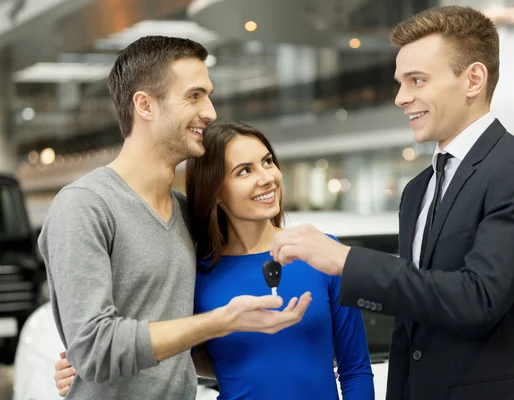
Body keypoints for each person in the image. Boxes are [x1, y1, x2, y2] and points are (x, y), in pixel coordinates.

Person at [270, 5, 514, 400]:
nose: (401, 98)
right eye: (400, 82)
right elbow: (411, 323)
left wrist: (345, 260)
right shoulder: (418, 189)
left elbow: (478, 299)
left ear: (473, 79)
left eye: (417, 80)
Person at [39, 36, 311, 400]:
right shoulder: (84, 206)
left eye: (208, 95)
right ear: (145, 105)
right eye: (194, 96)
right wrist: (219, 322)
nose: (210, 112)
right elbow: (94, 348)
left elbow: (181, 350)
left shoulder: (187, 212)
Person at [54, 121, 375, 399]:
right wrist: (83, 364)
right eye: (244, 171)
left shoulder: (322, 253)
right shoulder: (197, 275)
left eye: (267, 162)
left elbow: (356, 370)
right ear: (217, 191)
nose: (267, 177)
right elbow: (161, 348)